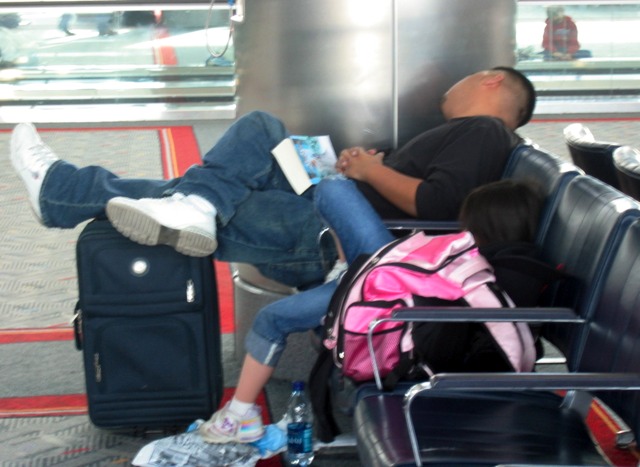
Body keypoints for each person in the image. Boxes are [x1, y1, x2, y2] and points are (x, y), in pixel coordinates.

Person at [9, 66, 536, 291]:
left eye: (468, 76)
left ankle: (69, 190)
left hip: (337, 237)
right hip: (334, 202)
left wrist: (372, 169)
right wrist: (360, 164)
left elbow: (437, 203)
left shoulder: (485, 129)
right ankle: (194, 203)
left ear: (491, 81)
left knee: (215, 197)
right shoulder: (470, 134)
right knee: (262, 128)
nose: (454, 84)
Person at [197, 178, 546, 445]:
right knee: (331, 192)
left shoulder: (491, 270)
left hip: (391, 300)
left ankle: (239, 417)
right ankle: (348, 275)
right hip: (392, 287)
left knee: (332, 188)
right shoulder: (512, 265)